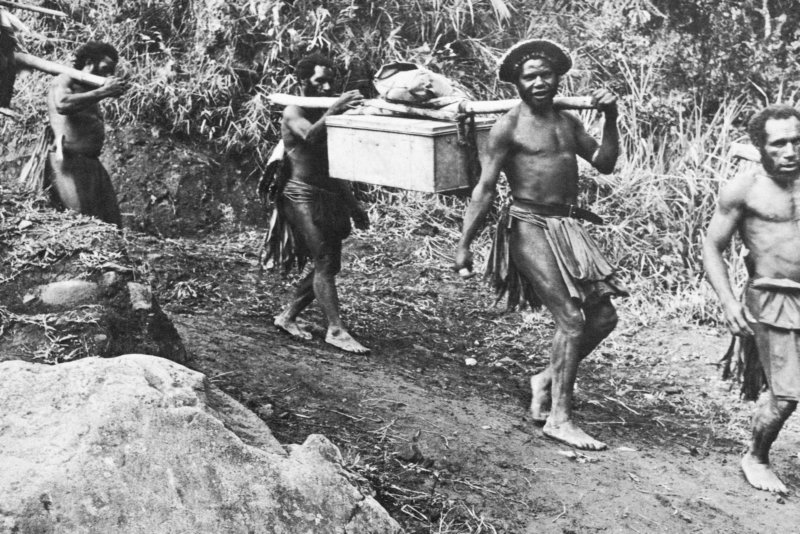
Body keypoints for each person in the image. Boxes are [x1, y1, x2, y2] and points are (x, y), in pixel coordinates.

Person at [453, 39, 626, 450]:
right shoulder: (508, 127)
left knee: (603, 318)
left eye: (546, 74)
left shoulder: (568, 121)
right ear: (516, 82)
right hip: (527, 225)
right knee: (572, 320)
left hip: (567, 228)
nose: (539, 82)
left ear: (558, 78)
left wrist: (611, 117)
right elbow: (484, 189)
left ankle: (546, 379)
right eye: (529, 76)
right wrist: (464, 244)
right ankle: (559, 419)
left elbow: (604, 162)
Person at [704, 104, 800, 494]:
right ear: (760, 146)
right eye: (779, 144)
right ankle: (756, 457)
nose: (790, 151)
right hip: (772, 297)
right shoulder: (744, 189)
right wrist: (729, 303)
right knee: (788, 393)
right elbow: (712, 247)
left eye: (797, 141)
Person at [272, 53, 371, 354]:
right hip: (300, 194)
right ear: (303, 81)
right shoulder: (294, 111)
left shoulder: (329, 113)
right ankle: (336, 330)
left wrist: (353, 205)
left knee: (330, 263)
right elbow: (311, 137)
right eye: (319, 82)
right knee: (325, 261)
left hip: (328, 194)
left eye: (331, 82)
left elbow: (334, 165)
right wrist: (335, 108)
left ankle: (287, 316)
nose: (327, 88)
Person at [45, 41, 127, 226]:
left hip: (91, 163)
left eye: (111, 71)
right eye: (105, 69)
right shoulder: (65, 79)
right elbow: (62, 104)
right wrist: (103, 91)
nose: (108, 75)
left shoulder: (89, 90)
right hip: (67, 162)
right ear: (89, 62)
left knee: (111, 223)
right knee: (81, 223)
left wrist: (102, 91)